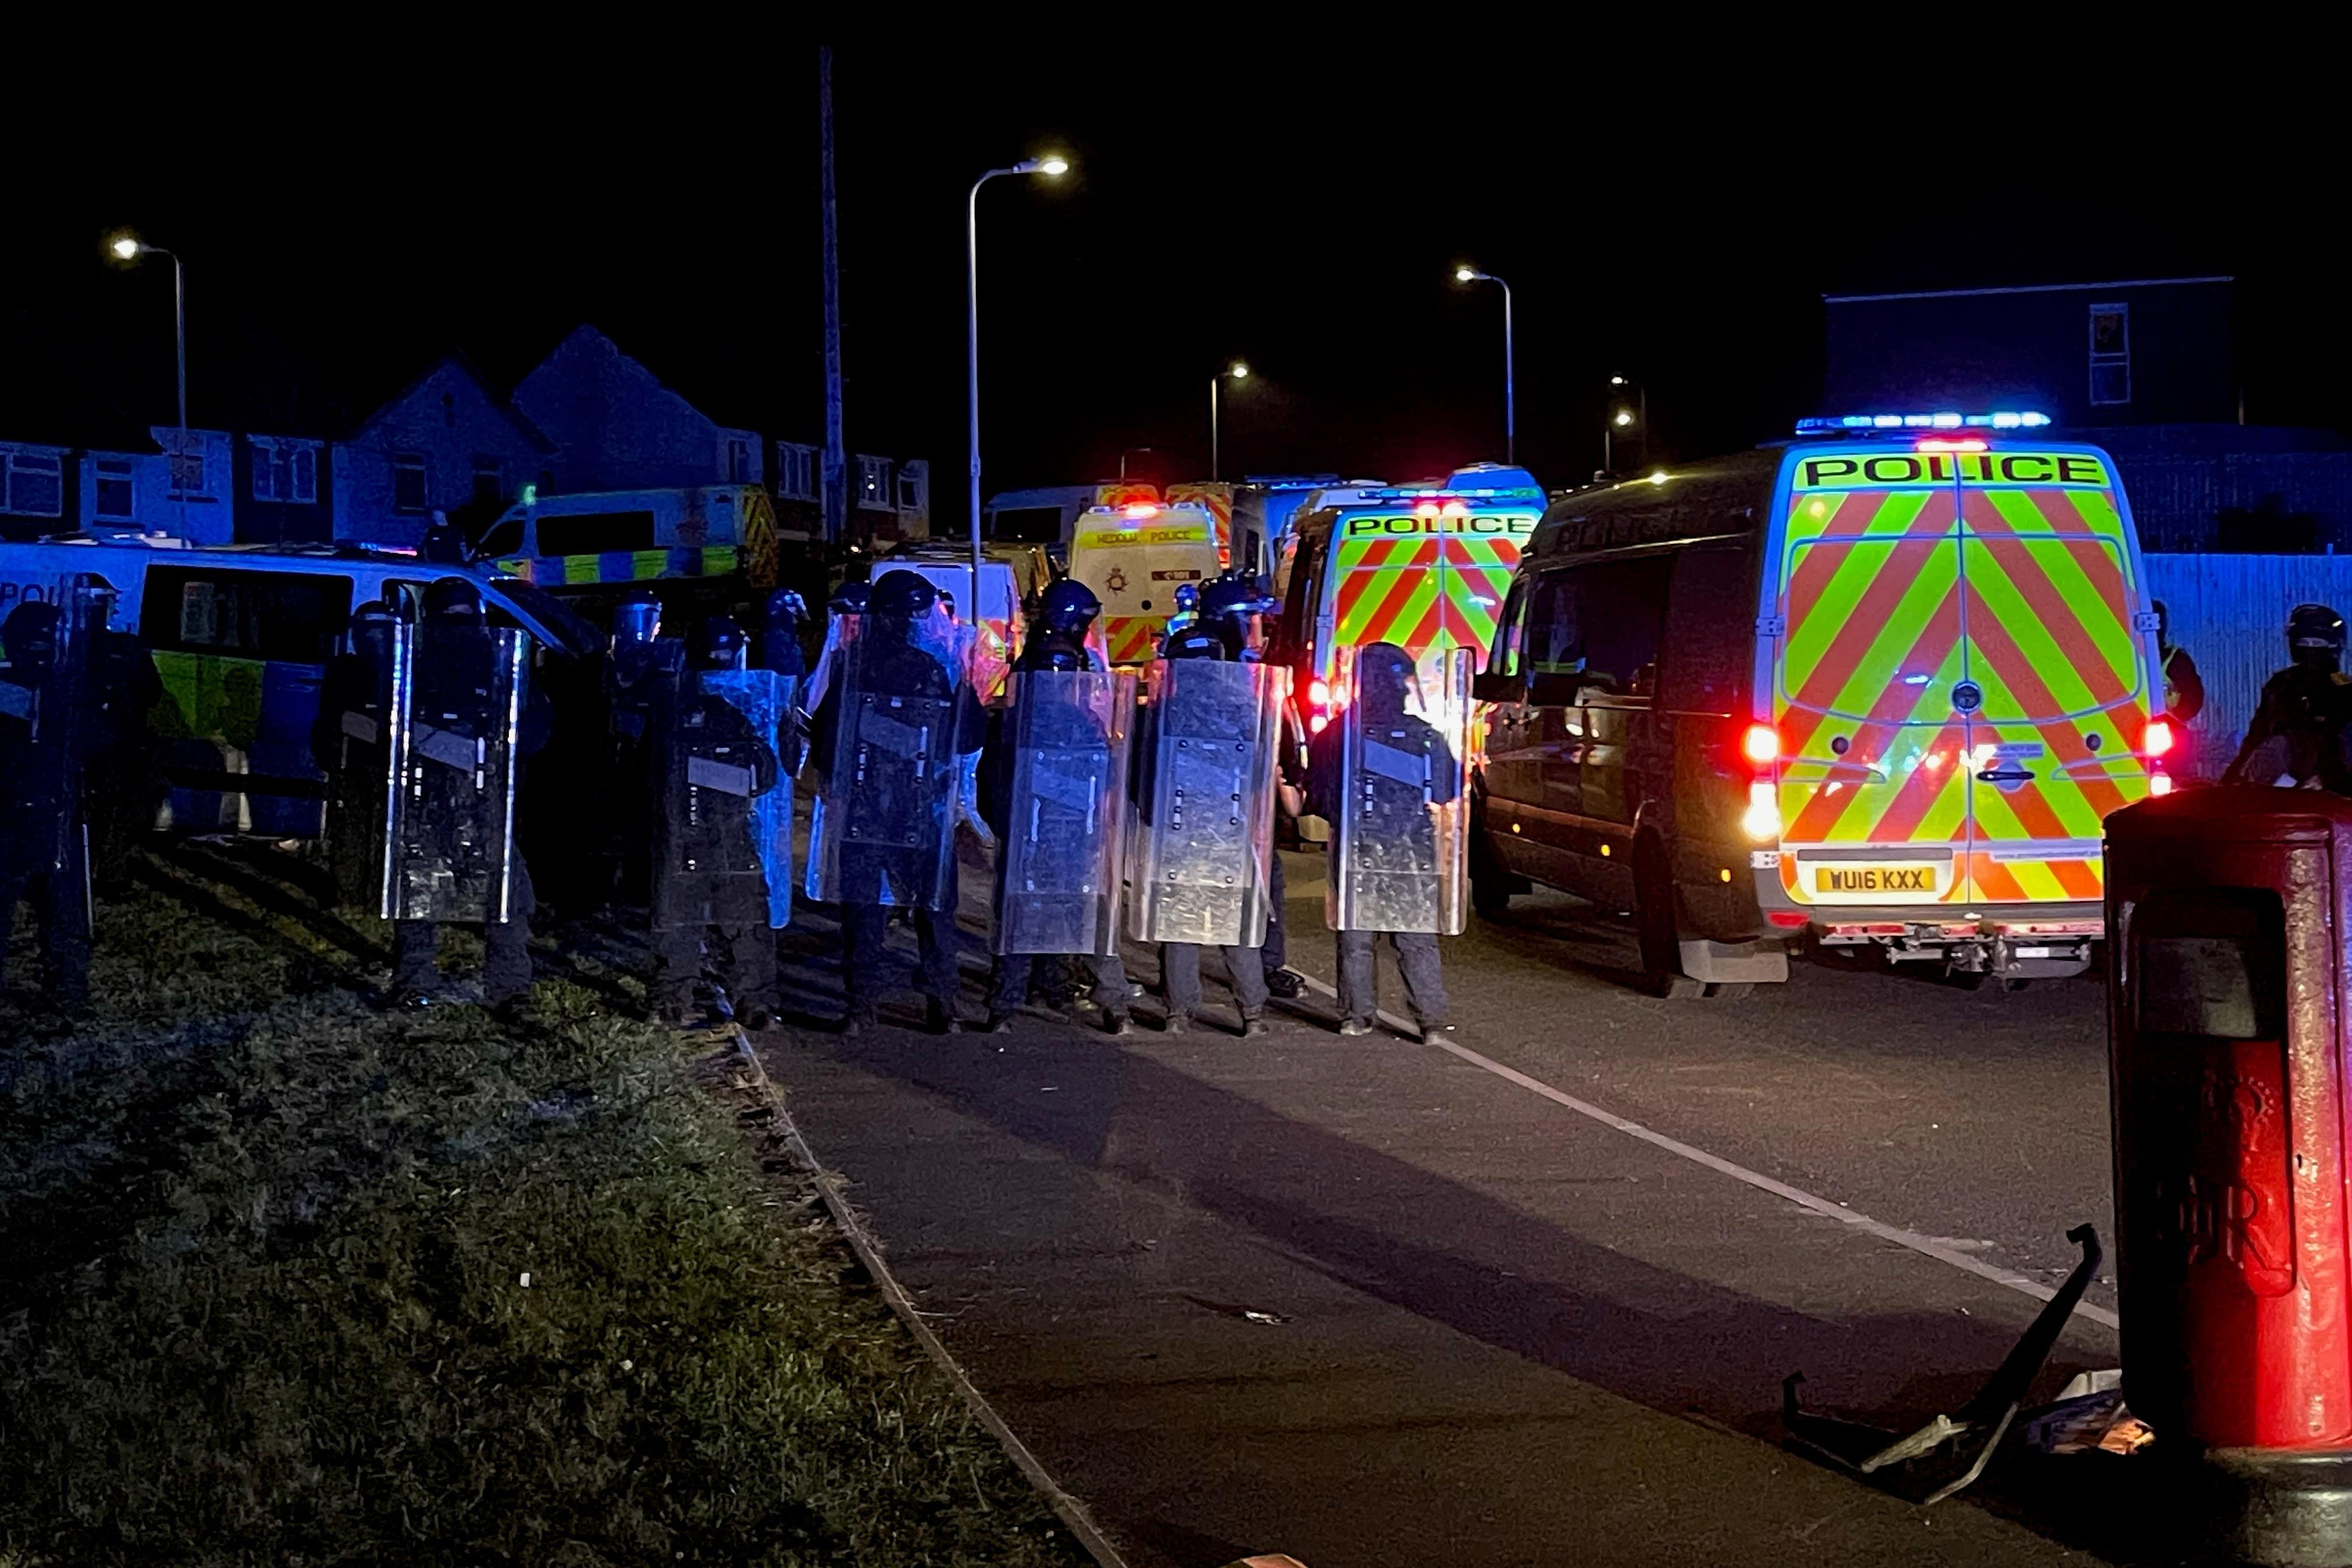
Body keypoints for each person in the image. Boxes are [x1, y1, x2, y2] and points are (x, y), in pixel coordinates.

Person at [804, 569, 984, 1034]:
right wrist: (966, 689)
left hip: (863, 808)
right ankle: (943, 1005)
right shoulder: (929, 668)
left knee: (864, 912)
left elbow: (825, 735)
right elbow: (962, 739)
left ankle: (861, 1007)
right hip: (918, 809)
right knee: (934, 908)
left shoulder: (852, 664)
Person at [386, 579, 551, 1011]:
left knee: (507, 899)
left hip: (487, 802)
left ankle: (511, 989)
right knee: (419, 893)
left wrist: (498, 744)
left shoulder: (502, 670)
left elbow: (535, 728)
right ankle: (414, 983)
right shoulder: (413, 668)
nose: (458, 629)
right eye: (449, 619)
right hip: (427, 799)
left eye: (465, 619)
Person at [981, 580, 1136, 1035]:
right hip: (1063, 827)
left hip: (1026, 825)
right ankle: (1113, 1002)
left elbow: (994, 768)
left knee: (1022, 907)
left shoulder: (1018, 699)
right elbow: (1097, 765)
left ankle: (1012, 1000)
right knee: (1081, 911)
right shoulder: (1064, 713)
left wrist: (1003, 820)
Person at [1132, 614, 1276, 1037]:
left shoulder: (1163, 714)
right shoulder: (1242, 709)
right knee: (1235, 924)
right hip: (1229, 827)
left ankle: (1179, 1011)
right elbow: (1259, 772)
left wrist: (1150, 819)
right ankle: (1252, 1013)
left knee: (1179, 923)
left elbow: (1144, 775)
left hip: (1178, 828)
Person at [1308, 640, 1456, 1037]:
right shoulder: (1426, 736)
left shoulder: (1338, 734)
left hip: (1358, 846)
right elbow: (1445, 790)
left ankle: (1357, 1015)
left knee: (1356, 936)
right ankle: (1432, 1021)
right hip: (1412, 848)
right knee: (1415, 936)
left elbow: (1318, 796)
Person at [650, 616, 785, 1028]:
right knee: (743, 921)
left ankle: (671, 1002)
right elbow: (764, 776)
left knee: (680, 921)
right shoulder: (740, 710)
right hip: (726, 833)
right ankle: (752, 1001)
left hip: (682, 835)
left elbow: (650, 773)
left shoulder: (671, 708)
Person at [1197, 570, 1307, 1002]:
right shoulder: (1223, 669)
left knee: (1266, 879)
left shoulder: (1227, 662)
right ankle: (1257, 970)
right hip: (1221, 796)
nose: (1260, 630)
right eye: (1252, 620)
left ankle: (1260, 965)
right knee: (1254, 881)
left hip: (1246, 798)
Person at [1, 600, 92, 1021]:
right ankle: (68, 994)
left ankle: (69, 994)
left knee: (63, 915)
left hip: (46, 815)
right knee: (59, 915)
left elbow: (95, 742)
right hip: (30, 816)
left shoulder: (61, 691)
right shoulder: (43, 692)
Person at [312, 600, 400, 908]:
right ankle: (350, 892)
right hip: (356, 763)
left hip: (388, 765)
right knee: (352, 829)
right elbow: (331, 718)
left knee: (379, 831)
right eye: (370, 632)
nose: (376, 640)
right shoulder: (346, 669)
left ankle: (376, 892)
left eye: (381, 632)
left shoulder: (403, 669)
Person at [79, 580, 162, 895]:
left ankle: (80, 874)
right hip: (120, 744)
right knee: (117, 812)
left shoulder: (71, 644)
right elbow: (153, 693)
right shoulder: (127, 647)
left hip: (82, 744)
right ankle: (111, 877)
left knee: (85, 811)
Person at [2224, 603, 2352, 790]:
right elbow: (2257, 736)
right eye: (2304, 643)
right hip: (2277, 786)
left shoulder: (2345, 691)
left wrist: (2329, 780)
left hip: (2332, 787)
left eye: (2317, 644)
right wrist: (2231, 781)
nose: (2310, 650)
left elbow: (2345, 745)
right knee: (2275, 747)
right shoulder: (2281, 684)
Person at [2153, 599, 2205, 731]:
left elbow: (2194, 697)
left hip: (2168, 732)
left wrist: (2175, 720)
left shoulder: (2176, 660)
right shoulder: (2125, 658)